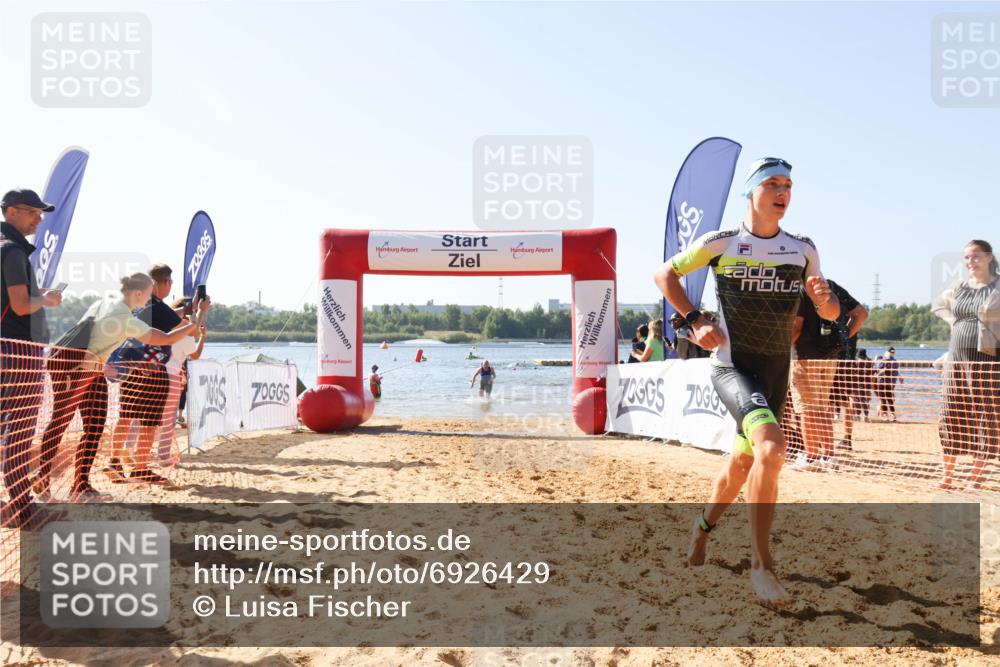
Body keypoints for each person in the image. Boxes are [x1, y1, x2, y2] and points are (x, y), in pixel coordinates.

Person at [653, 157, 839, 603]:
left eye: (789, 185)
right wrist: (695, 319)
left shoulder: (803, 248)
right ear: (751, 192)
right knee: (773, 450)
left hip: (777, 372)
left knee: (742, 465)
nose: (783, 191)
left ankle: (701, 529)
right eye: (773, 183)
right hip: (733, 367)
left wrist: (826, 300)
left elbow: (831, 314)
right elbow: (665, 274)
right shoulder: (723, 243)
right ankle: (762, 568)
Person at [36, 273, 203, 500]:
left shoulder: (106, 301)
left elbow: (93, 329)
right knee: (63, 421)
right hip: (75, 367)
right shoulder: (125, 318)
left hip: (87, 367)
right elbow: (162, 338)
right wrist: (191, 327)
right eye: (147, 294)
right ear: (138, 293)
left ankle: (78, 485)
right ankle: (46, 481)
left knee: (92, 425)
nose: (148, 300)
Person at [0, 189, 62, 529]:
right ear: (11, 212)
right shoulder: (11, 251)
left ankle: (15, 508)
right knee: (21, 433)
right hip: (17, 351)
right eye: (32, 212)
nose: (39, 218)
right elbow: (22, 305)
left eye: (41, 212)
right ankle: (24, 510)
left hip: (5, 348)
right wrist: (47, 299)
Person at [932, 239, 1000, 490]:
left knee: (985, 414)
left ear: (989, 257)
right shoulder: (960, 285)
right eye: (967, 258)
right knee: (950, 412)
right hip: (956, 358)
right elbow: (938, 305)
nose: (971, 262)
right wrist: (953, 322)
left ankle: (976, 477)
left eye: (976, 256)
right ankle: (947, 476)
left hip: (988, 359)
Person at [789, 279, 867, 469]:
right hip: (830, 357)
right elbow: (861, 314)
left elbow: (797, 328)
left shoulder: (799, 288)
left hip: (804, 356)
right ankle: (829, 456)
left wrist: (776, 347)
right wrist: (842, 340)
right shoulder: (830, 285)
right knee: (822, 408)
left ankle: (811, 457)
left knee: (806, 409)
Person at [874, 346, 901, 421]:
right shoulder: (895, 362)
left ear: (887, 352)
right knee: (890, 400)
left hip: (882, 382)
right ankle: (892, 415)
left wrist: (877, 374)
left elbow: (879, 370)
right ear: (893, 353)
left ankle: (885, 415)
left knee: (883, 399)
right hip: (891, 384)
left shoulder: (884, 360)